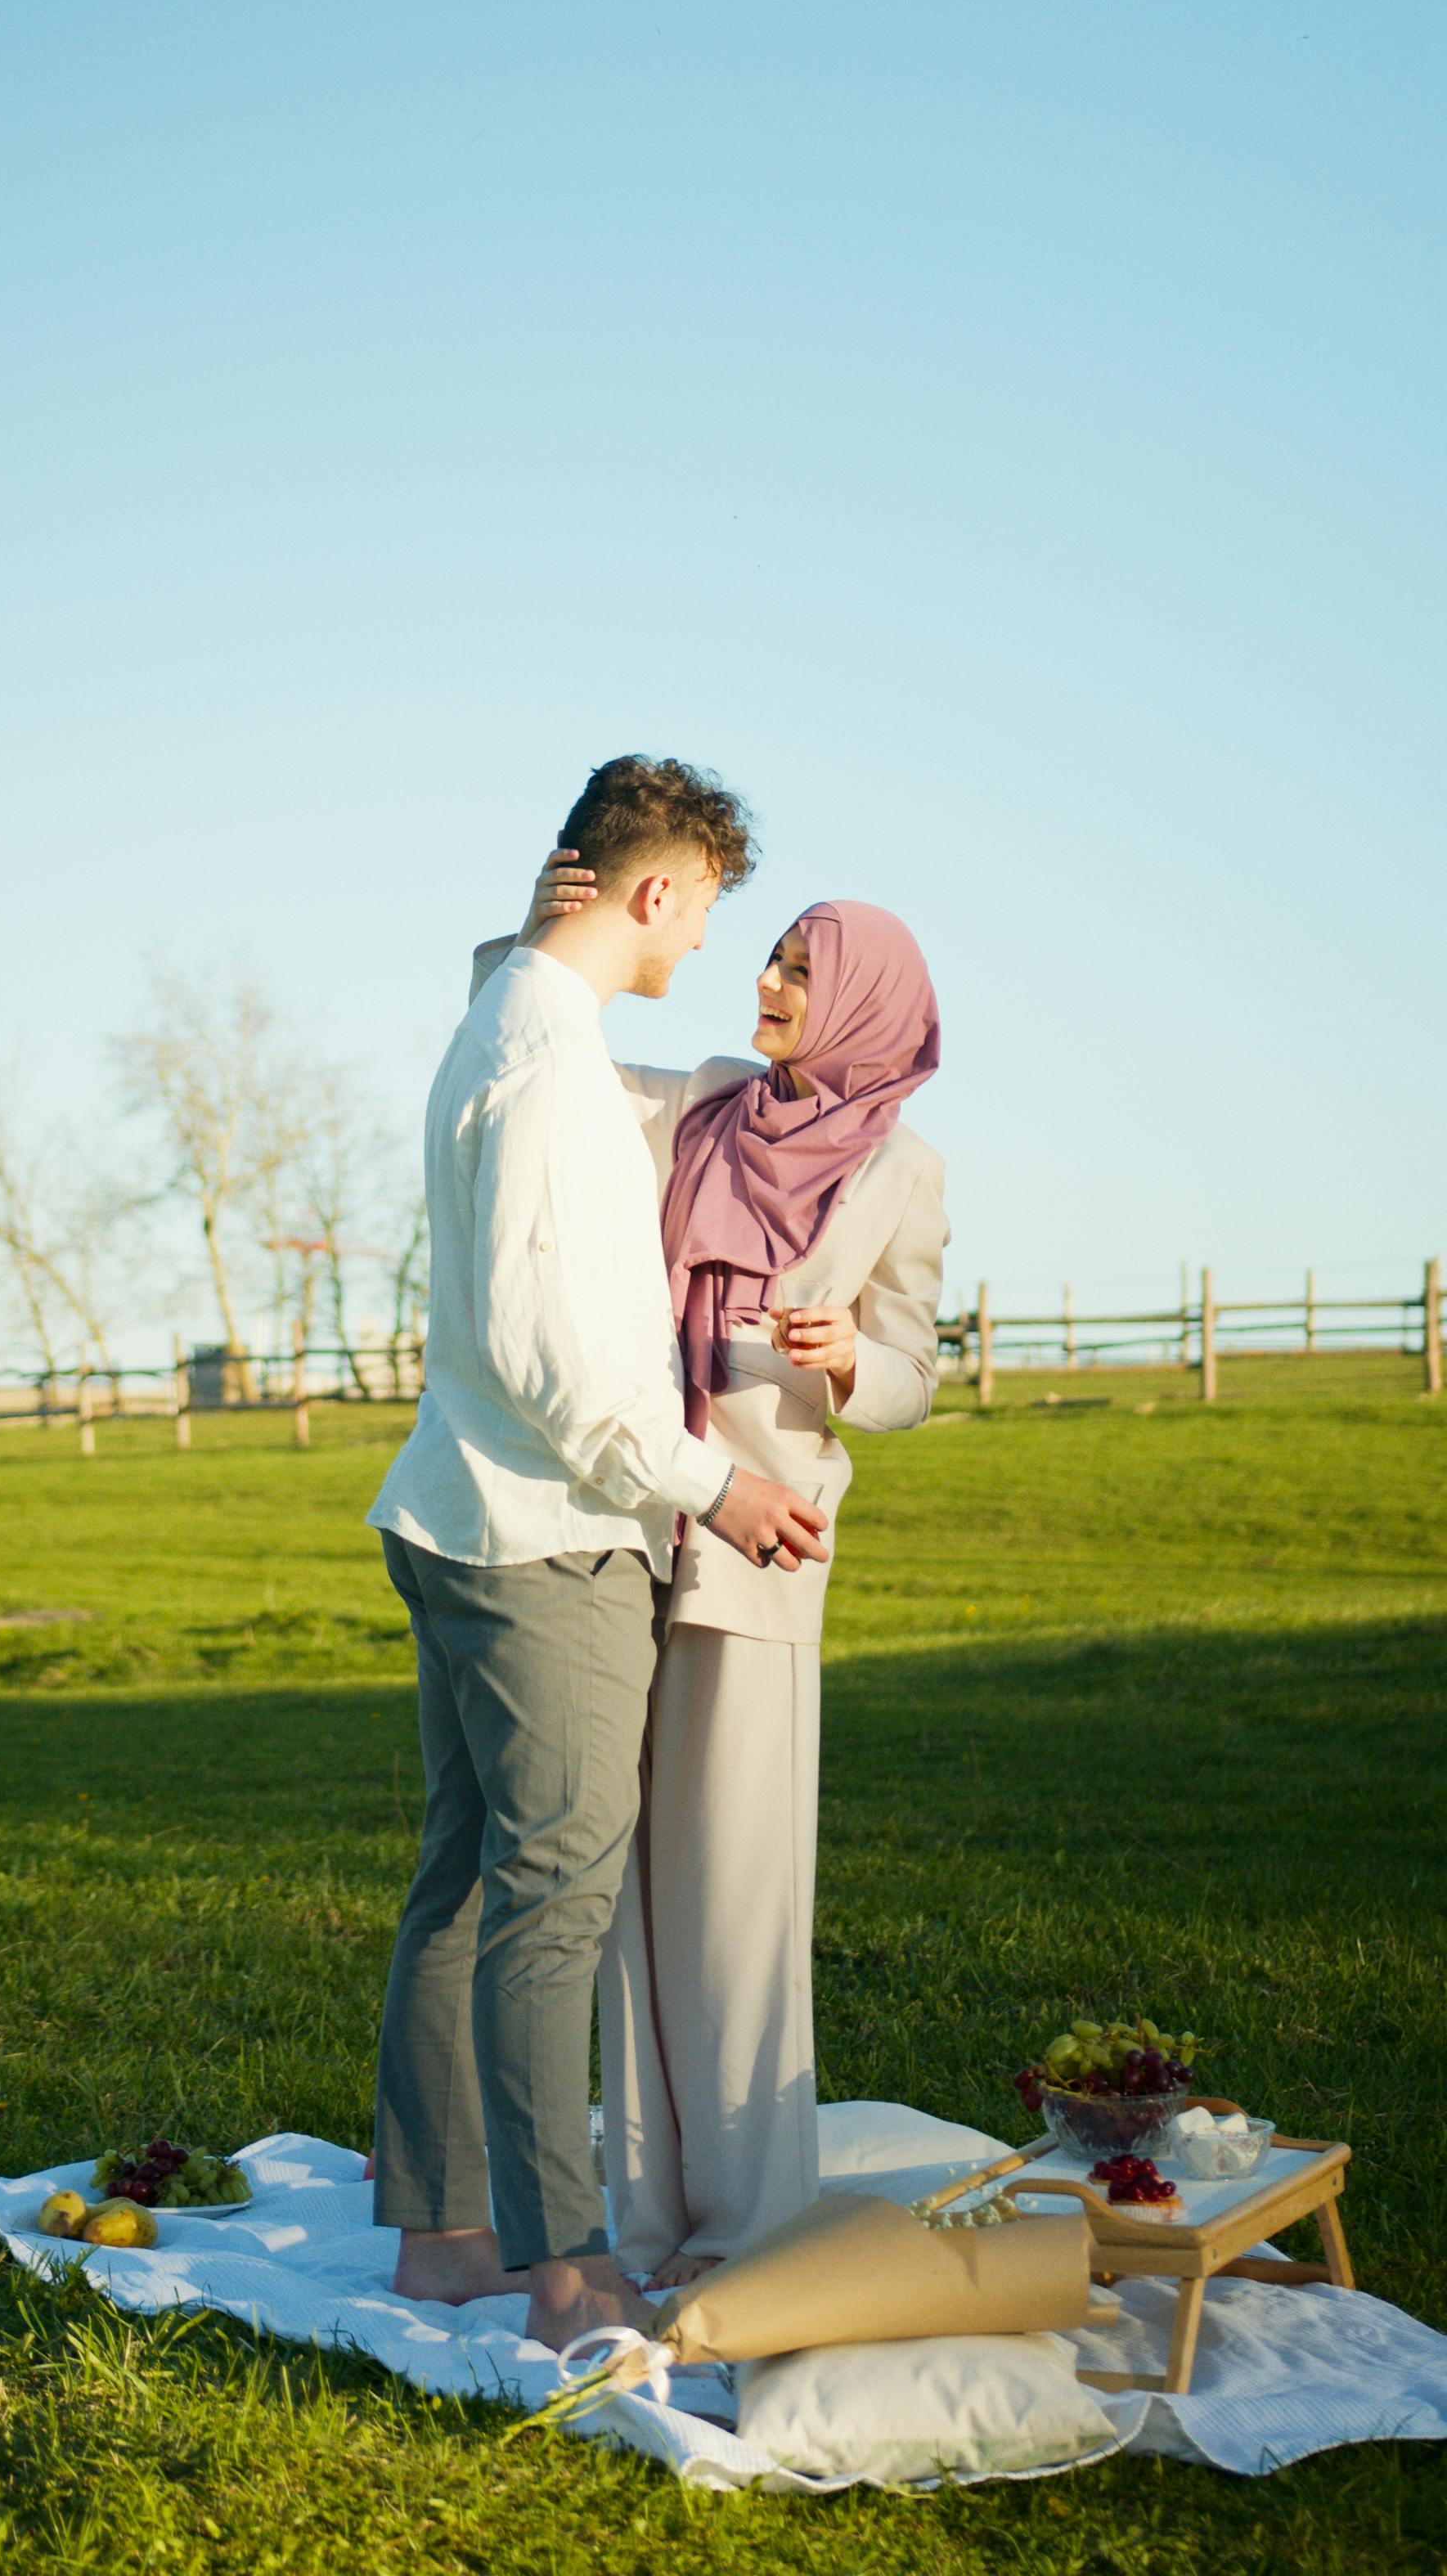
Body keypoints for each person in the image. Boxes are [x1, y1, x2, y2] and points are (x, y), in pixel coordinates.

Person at [368, 758, 830, 2354]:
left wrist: (518, 934)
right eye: (705, 908)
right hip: (541, 1541)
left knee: (463, 1884)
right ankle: (566, 2268)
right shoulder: (556, 1074)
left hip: (453, 1512)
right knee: (552, 1894)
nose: (704, 944)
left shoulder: (506, 1018)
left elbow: (518, 985)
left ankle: (441, 2235)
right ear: (653, 892)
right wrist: (716, 1488)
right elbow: (558, 1354)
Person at [488, 857, 946, 2284]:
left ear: (860, 1003)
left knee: (736, 1888)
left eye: (800, 973)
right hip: (631, 1521)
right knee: (621, 1891)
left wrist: (852, 1361)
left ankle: (752, 2226)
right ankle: (649, 2217)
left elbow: (919, 1369)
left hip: (769, 1543)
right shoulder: (694, 1099)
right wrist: (537, 929)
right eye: (768, 961)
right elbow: (542, 1052)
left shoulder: (901, 1173)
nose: (766, 986)